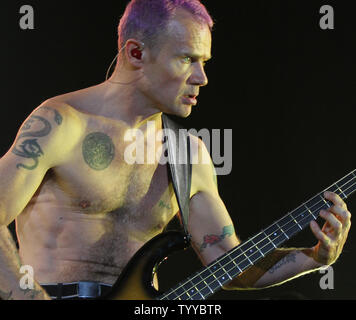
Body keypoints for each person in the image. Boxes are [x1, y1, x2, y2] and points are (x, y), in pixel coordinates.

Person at [0, 0, 351, 300]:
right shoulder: (61, 124)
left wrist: (315, 257)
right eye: (187, 59)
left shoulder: (188, 154)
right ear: (136, 52)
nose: (202, 78)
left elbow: (229, 265)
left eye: (205, 62)